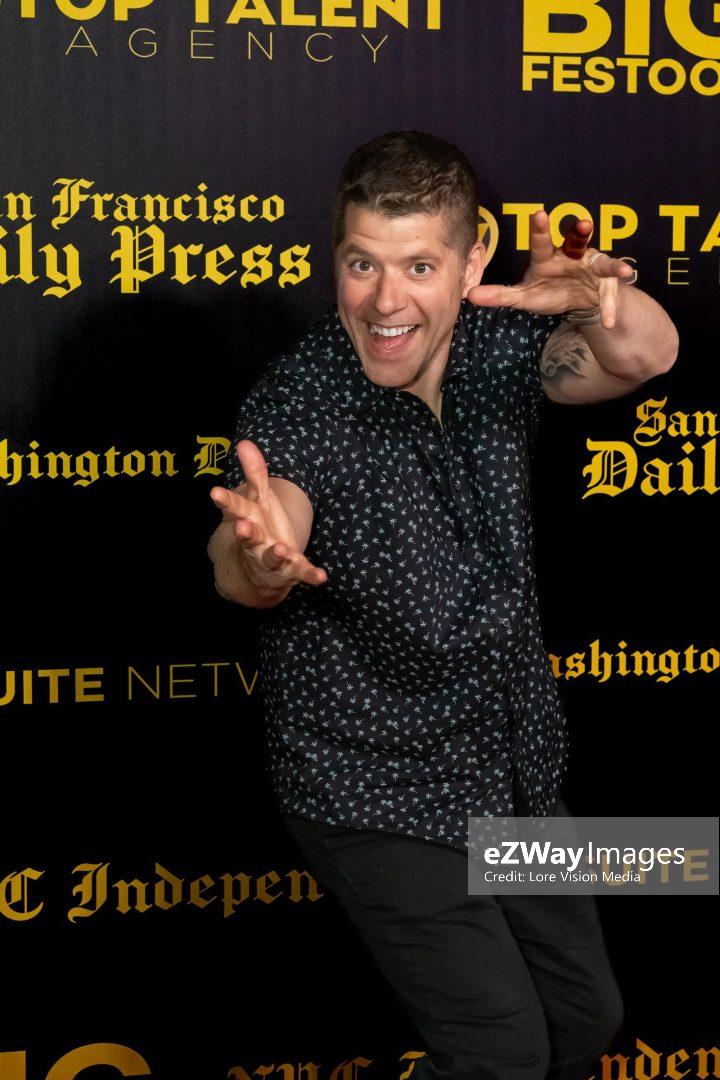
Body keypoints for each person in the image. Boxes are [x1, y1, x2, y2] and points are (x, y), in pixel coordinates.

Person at [207, 131, 678, 1080]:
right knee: (501, 1051)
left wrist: (596, 299)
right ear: (336, 260)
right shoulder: (300, 401)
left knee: (588, 1017)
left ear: (473, 260)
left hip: (511, 769)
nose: (386, 301)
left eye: (419, 266)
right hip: (375, 791)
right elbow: (246, 549)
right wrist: (260, 558)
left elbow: (646, 357)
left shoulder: (500, 344)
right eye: (362, 264)